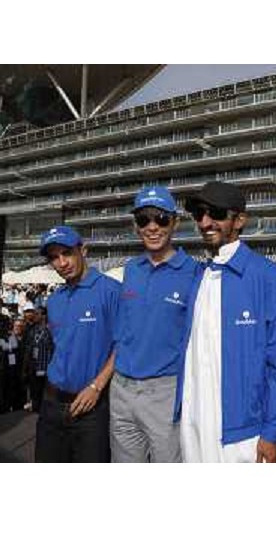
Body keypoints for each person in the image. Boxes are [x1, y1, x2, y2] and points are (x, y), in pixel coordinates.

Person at [175, 181, 276, 463]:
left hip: (241, 433)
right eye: (199, 214)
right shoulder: (198, 275)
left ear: (239, 220)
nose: (205, 221)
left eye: (215, 213)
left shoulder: (267, 276)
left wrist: (273, 431)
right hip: (192, 423)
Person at [110, 186, 198, 463]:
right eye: (143, 219)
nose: (152, 227)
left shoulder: (194, 272)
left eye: (160, 218)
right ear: (135, 225)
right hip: (121, 388)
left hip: (164, 391)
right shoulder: (131, 269)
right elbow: (124, 332)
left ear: (175, 222)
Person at [35, 225, 120, 463]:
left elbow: (123, 344)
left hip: (92, 409)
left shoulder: (111, 291)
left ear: (83, 250)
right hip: (51, 404)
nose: (61, 263)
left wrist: (96, 386)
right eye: (54, 257)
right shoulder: (54, 300)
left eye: (66, 253)